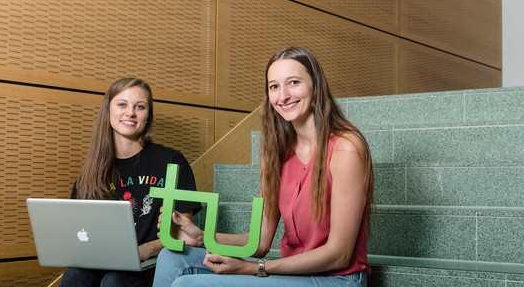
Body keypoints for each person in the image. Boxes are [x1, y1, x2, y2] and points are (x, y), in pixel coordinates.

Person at [152, 46, 374, 287]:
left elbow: (339, 254)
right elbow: (260, 242)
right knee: (172, 257)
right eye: (274, 87)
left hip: (337, 279)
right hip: (293, 274)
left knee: (188, 285)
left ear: (316, 86)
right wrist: (202, 236)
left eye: (293, 82)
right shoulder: (278, 153)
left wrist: (255, 268)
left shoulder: (346, 148)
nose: (283, 96)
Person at [59, 78, 202, 287]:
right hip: (104, 261)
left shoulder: (172, 161)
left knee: (114, 281)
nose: (130, 113)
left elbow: (181, 235)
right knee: (73, 277)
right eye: (122, 104)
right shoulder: (90, 173)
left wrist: (144, 251)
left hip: (151, 262)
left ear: (147, 116)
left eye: (140, 107)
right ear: (108, 111)